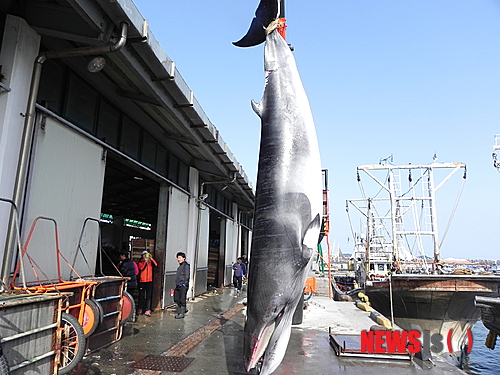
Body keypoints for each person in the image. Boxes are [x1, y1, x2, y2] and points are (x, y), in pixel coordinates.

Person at [137, 250, 157, 316]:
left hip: (149, 281)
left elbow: (156, 264)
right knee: (141, 296)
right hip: (142, 281)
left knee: (148, 296)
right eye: (144, 255)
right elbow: (141, 268)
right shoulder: (140, 262)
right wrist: (145, 262)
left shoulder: (150, 261)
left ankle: (148, 309)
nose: (146, 256)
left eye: (147, 255)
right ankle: (140, 309)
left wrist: (151, 258)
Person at [174, 252, 190, 319]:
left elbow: (187, 275)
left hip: (183, 285)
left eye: (180, 258)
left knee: (182, 299)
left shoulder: (186, 266)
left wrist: (184, 284)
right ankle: (184, 309)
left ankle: (182, 313)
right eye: (177, 258)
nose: (178, 259)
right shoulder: (180, 266)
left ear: (184, 258)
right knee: (176, 299)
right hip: (178, 285)